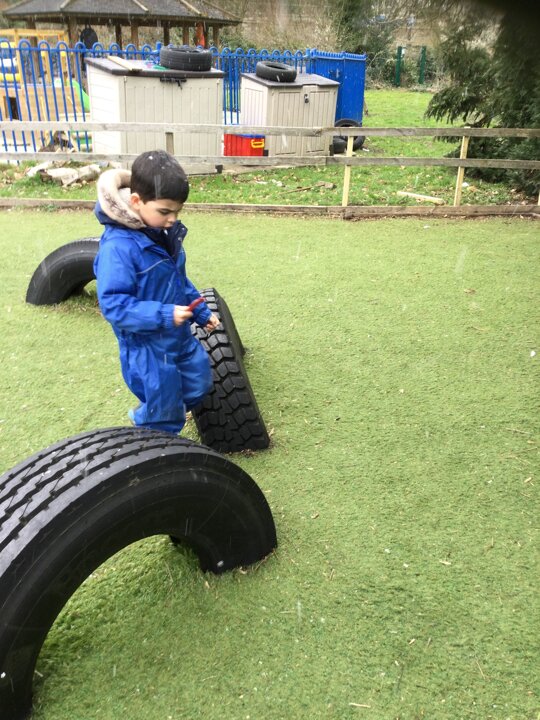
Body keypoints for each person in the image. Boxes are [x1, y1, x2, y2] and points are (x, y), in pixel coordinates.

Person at [93, 150, 220, 434]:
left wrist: (200, 311)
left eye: (177, 211)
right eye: (165, 211)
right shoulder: (118, 248)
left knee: (199, 383)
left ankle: (162, 412)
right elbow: (113, 305)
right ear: (136, 202)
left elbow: (178, 280)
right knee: (164, 415)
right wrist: (163, 314)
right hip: (148, 349)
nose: (173, 219)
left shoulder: (161, 233)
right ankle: (152, 433)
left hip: (178, 337)